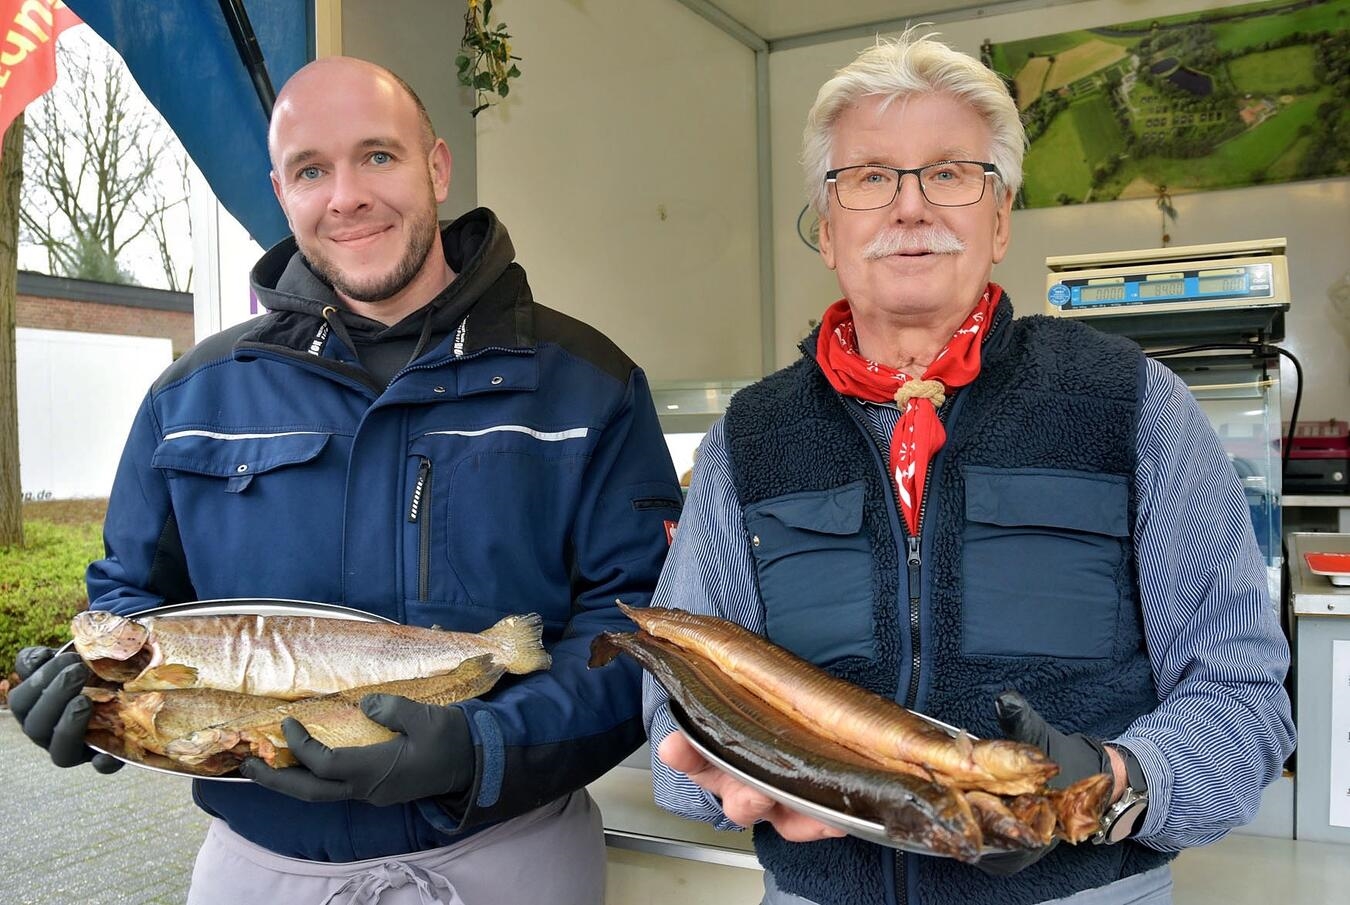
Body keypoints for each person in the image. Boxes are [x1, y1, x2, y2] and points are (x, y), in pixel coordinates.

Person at [10, 56, 682, 904]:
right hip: (261, 873)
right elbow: (136, 609)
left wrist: (483, 748)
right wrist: (91, 703)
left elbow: (642, 630)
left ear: (436, 166)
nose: (346, 196)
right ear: (282, 193)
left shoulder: (586, 383)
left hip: (509, 856)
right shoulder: (191, 398)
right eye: (311, 170)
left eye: (377, 156)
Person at [643, 34, 1295, 905]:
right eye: (870, 176)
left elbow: (1243, 696)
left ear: (1000, 217)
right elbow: (678, 703)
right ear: (828, 226)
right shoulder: (750, 437)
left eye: (951, 172)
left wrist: (1106, 787)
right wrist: (727, 775)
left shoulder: (1135, 405)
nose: (910, 206)